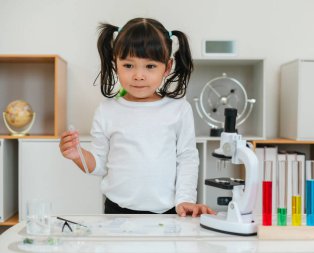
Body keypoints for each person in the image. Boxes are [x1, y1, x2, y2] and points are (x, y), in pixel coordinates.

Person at [59, 18, 215, 217]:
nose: (138, 75)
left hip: (168, 212)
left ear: (167, 67)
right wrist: (76, 154)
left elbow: (187, 159)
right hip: (116, 212)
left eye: (150, 66)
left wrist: (185, 200)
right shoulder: (106, 111)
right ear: (116, 64)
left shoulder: (179, 109)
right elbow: (97, 165)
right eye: (128, 65)